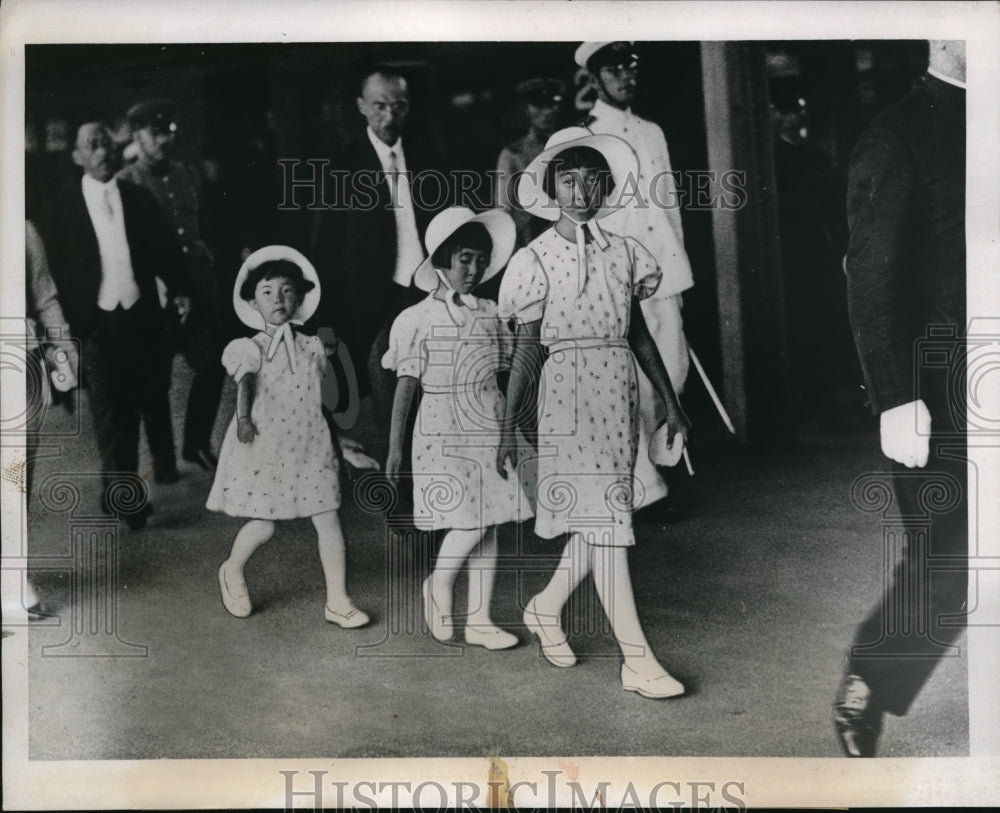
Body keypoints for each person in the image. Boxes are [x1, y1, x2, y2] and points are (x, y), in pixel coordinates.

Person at [497, 127, 689, 698]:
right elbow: (527, 349)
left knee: (603, 511)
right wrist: (508, 427)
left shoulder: (626, 253)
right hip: (566, 395)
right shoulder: (533, 259)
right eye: (569, 179)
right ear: (552, 186)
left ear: (606, 187)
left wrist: (672, 405)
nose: (581, 190)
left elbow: (638, 334)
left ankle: (546, 605)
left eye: (591, 179)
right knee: (607, 520)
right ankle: (638, 658)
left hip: (618, 394)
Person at [834, 40, 967, 757]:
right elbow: (872, 271)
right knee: (953, 553)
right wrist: (894, 396)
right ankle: (871, 681)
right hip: (940, 380)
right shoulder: (898, 132)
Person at [383, 206, 525, 650]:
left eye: (481, 261)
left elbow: (506, 375)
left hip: (487, 418)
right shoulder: (415, 319)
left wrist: (509, 430)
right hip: (443, 428)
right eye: (464, 259)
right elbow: (406, 385)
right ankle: (439, 584)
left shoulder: (491, 313)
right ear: (442, 260)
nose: (474, 269)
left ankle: (480, 618)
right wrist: (394, 449)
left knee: (492, 518)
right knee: (469, 520)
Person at [207, 246, 368, 628]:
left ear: (299, 298)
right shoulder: (248, 348)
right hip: (267, 443)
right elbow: (245, 382)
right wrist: (244, 418)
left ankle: (338, 601)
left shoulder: (313, 347)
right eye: (267, 291)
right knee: (264, 524)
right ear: (252, 301)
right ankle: (231, 569)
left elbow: (322, 399)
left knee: (328, 517)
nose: (278, 298)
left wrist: (339, 438)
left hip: (312, 442)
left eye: (286, 290)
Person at [43, 122, 190, 528]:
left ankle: (116, 492)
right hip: (96, 325)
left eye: (107, 142)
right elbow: (52, 272)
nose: (102, 151)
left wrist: (180, 289)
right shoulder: (61, 210)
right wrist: (69, 322)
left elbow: (165, 248)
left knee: (145, 401)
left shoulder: (138, 198)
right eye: (92, 145)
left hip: (140, 317)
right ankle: (128, 500)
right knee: (112, 416)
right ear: (77, 157)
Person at [575, 41, 695, 518]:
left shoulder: (652, 131)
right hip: (616, 276)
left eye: (631, 66)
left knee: (673, 371)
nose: (626, 75)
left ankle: (664, 464)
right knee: (631, 380)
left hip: (662, 271)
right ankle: (644, 483)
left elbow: (670, 207)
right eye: (614, 69)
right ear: (595, 78)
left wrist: (679, 274)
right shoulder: (584, 134)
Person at [311, 67, 446, 421]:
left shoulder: (429, 157)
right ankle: (396, 468)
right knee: (381, 389)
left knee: (434, 381)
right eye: (379, 106)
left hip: (426, 289)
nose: (390, 116)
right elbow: (326, 250)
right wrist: (326, 320)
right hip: (372, 297)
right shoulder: (340, 166)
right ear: (361, 106)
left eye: (399, 106)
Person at [119, 99, 224, 470]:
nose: (164, 140)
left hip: (197, 289)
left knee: (212, 365)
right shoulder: (125, 184)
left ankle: (195, 443)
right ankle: (163, 459)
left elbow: (206, 228)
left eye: (168, 132)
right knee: (154, 381)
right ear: (136, 136)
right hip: (157, 296)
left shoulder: (189, 174)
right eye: (155, 132)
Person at [495, 77, 566, 249]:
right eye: (540, 106)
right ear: (527, 111)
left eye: (552, 105)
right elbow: (503, 209)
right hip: (531, 241)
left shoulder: (567, 147)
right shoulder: (513, 154)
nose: (547, 112)